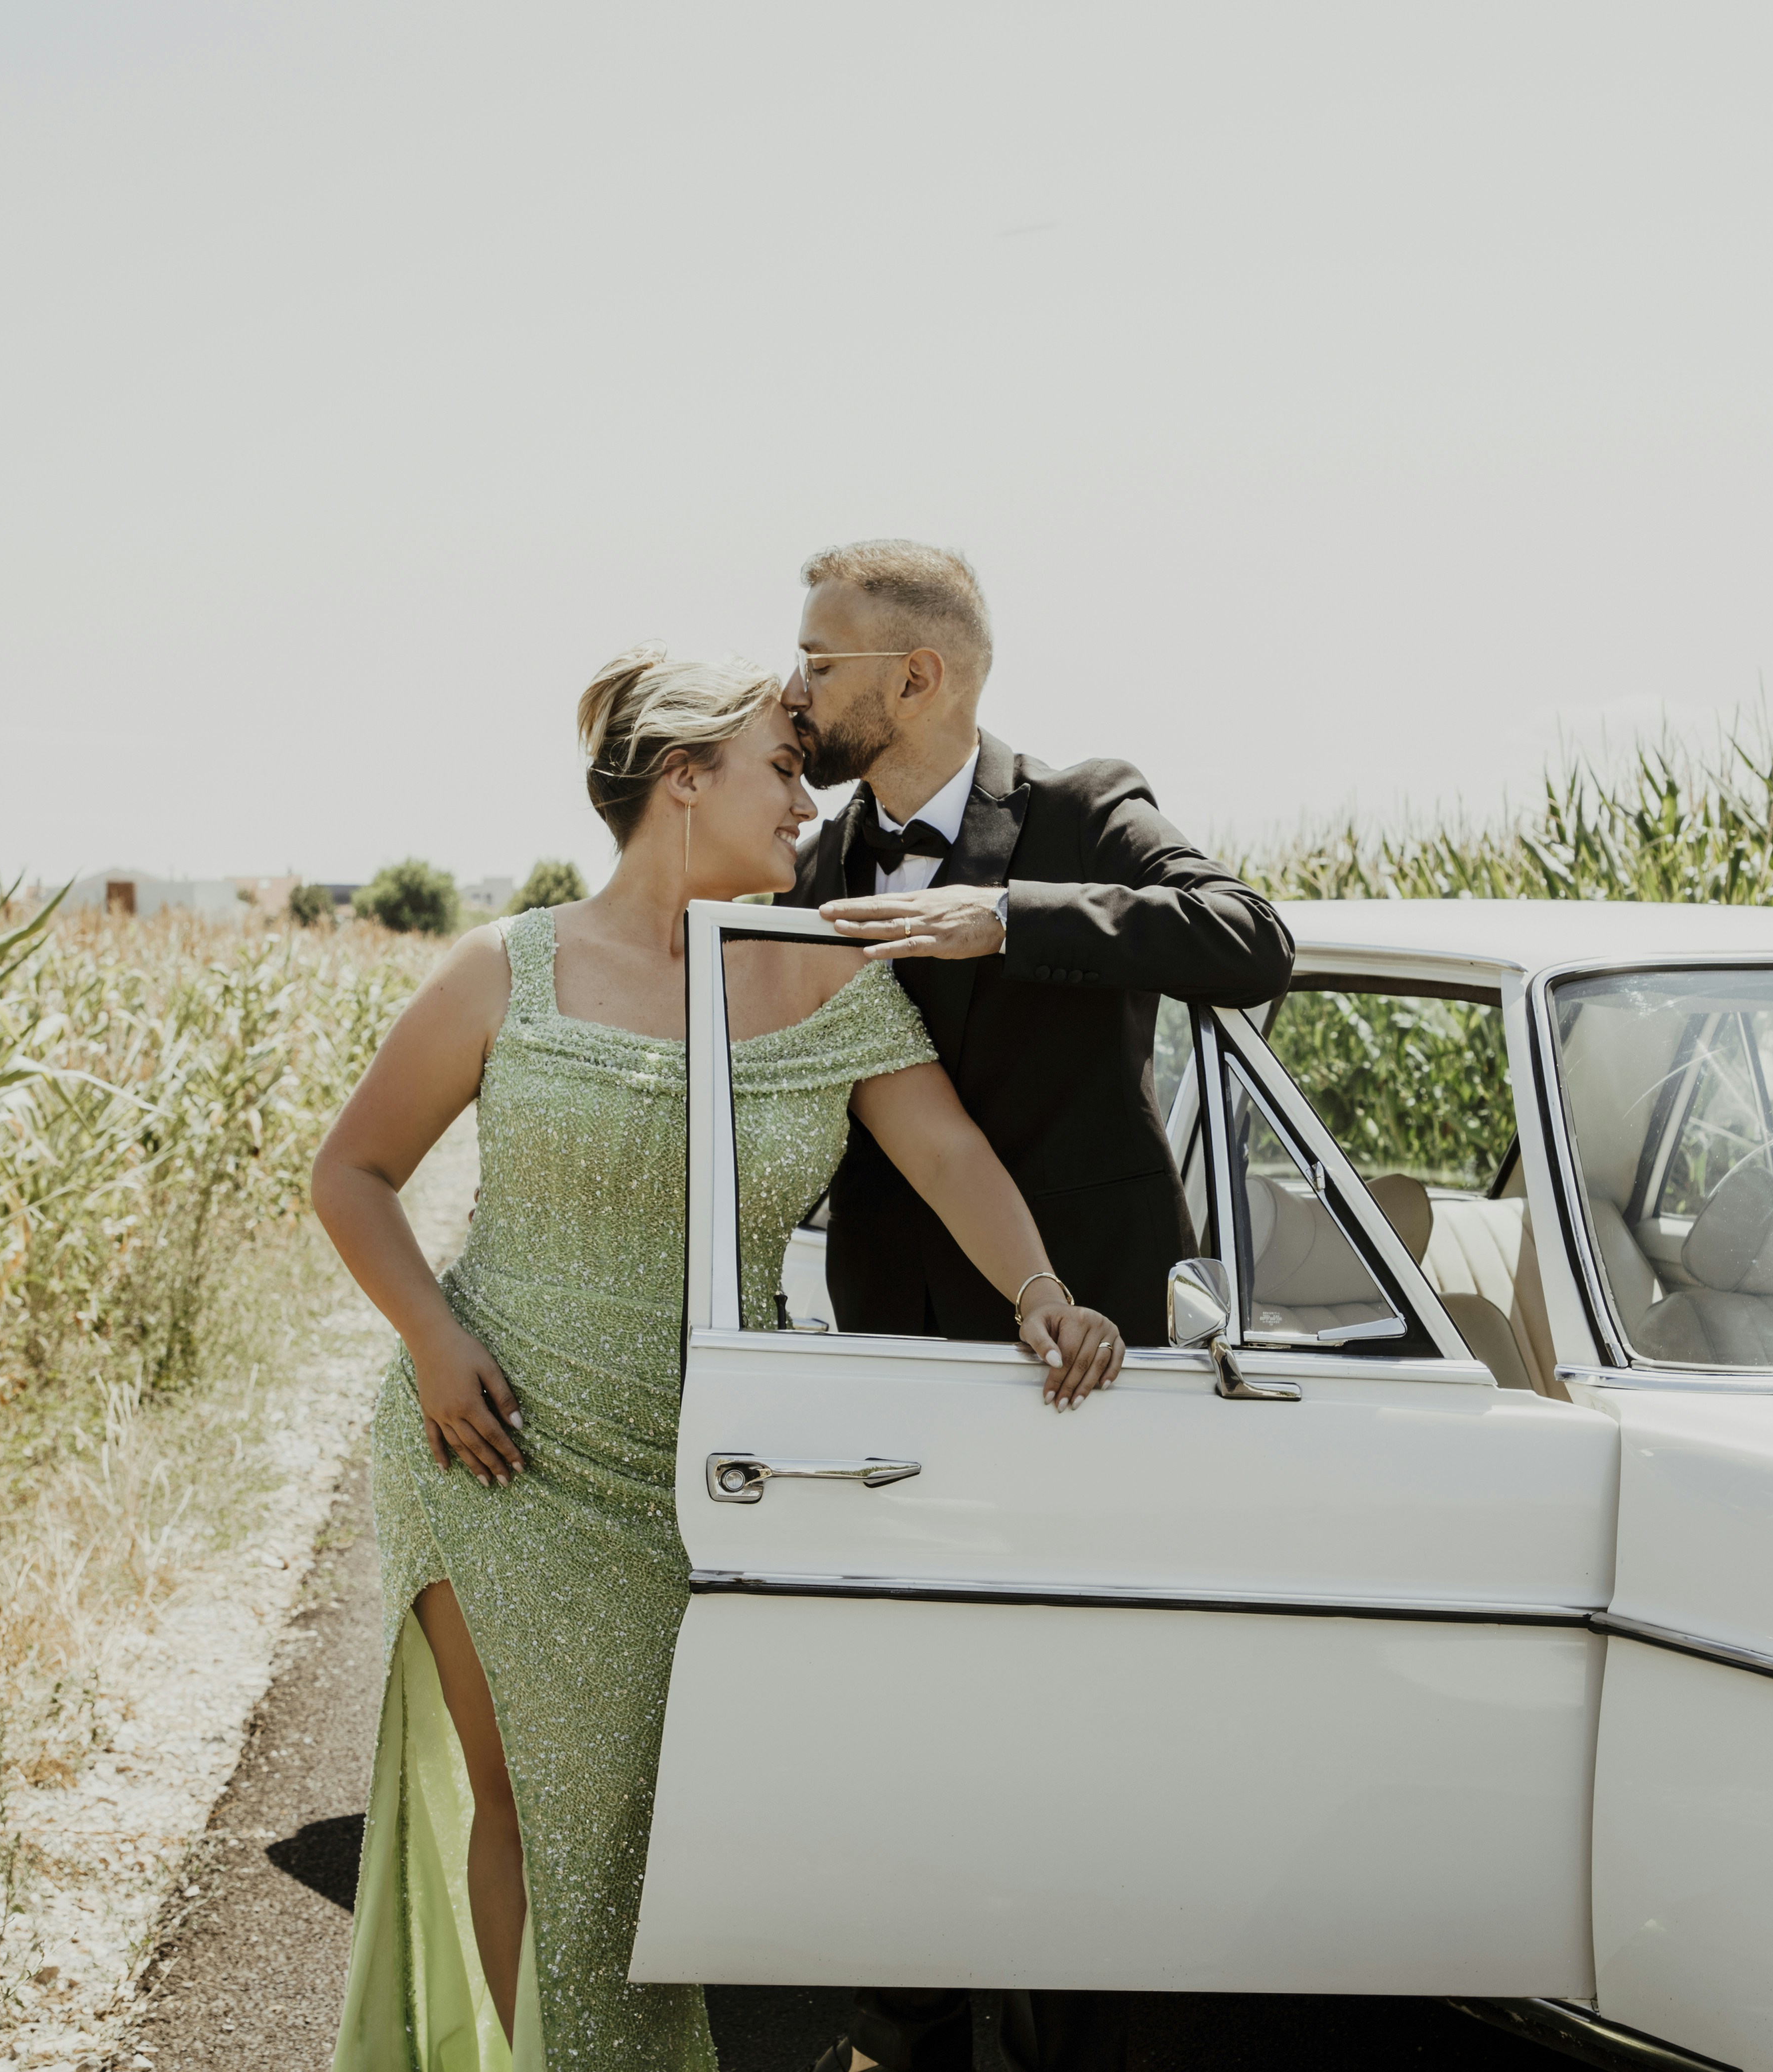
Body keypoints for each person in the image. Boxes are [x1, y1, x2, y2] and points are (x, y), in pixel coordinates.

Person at [312, 647, 1126, 2072]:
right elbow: (355, 1174)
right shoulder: (512, 966)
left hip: (706, 1465)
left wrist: (1042, 1290)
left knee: (640, 1828)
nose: (810, 801)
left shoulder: (818, 972)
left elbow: (944, 1151)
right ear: (682, 780)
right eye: (782, 768)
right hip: (493, 1447)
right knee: (538, 1814)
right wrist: (434, 1344)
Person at [776, 542, 1295, 2072]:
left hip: (1091, 1343)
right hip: (891, 1339)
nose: (793, 690)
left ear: (917, 676)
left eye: (819, 661)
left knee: (1089, 1706)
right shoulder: (815, 863)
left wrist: (1007, 919)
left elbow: (1250, 940)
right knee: (910, 1690)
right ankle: (911, 2029)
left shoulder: (1079, 811)